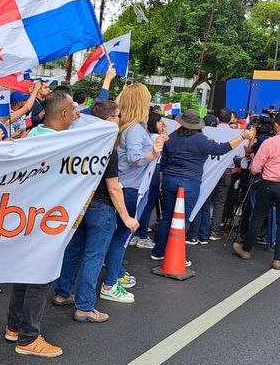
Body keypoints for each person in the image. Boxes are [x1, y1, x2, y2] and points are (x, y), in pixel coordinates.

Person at [53, 99, 140, 322]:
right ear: (110, 120)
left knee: (74, 250)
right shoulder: (108, 149)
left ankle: (62, 292)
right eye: (118, 116)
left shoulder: (81, 144)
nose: (120, 120)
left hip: (81, 205)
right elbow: (113, 188)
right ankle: (84, 306)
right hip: (102, 208)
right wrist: (127, 217)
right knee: (94, 256)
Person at [4, 92, 76, 357]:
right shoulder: (61, 145)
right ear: (64, 114)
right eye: (73, 110)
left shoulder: (32, 136)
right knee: (39, 277)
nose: (76, 115)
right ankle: (28, 338)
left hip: (25, 216)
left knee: (24, 273)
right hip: (47, 219)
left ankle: (14, 326)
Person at [152, 109, 253, 262]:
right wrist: (242, 136)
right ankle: (175, 255)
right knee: (182, 219)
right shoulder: (200, 139)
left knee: (167, 216)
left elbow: (164, 162)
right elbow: (220, 149)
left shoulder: (171, 137)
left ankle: (158, 251)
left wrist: (162, 180)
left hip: (169, 179)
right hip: (190, 182)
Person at [100, 84, 164, 301]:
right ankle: (111, 284)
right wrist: (153, 153)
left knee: (114, 236)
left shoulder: (123, 125)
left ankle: (115, 274)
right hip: (128, 189)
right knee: (120, 238)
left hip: (122, 186)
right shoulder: (135, 128)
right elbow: (135, 159)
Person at [232, 112, 280, 270]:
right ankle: (278, 259)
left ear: (276, 125)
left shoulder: (269, 142)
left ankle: (246, 250)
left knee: (257, 217)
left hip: (269, 183)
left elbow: (255, 167)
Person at [131, 107, 167, 249]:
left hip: (143, 171)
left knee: (141, 204)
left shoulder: (144, 135)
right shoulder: (156, 138)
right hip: (153, 171)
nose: (162, 124)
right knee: (147, 204)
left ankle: (135, 235)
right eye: (160, 122)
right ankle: (142, 236)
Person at [207, 108, 242, 240]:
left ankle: (200, 228)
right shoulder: (236, 134)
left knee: (205, 198)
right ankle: (214, 230)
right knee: (220, 202)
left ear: (217, 119)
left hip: (211, 169)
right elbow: (240, 155)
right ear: (231, 119)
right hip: (227, 171)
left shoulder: (210, 132)